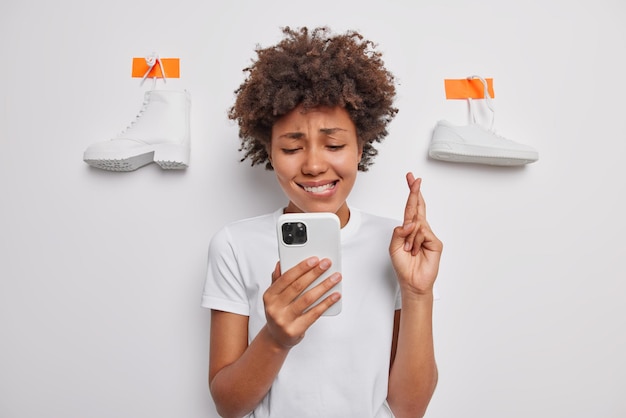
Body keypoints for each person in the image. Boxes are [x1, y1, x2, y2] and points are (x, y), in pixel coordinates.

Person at [202, 26, 443, 418]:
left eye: (333, 145)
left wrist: (418, 294)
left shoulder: (397, 246)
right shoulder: (234, 245)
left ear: (360, 148)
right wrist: (276, 339)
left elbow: (409, 409)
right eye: (292, 147)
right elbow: (228, 405)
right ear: (269, 152)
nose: (314, 165)